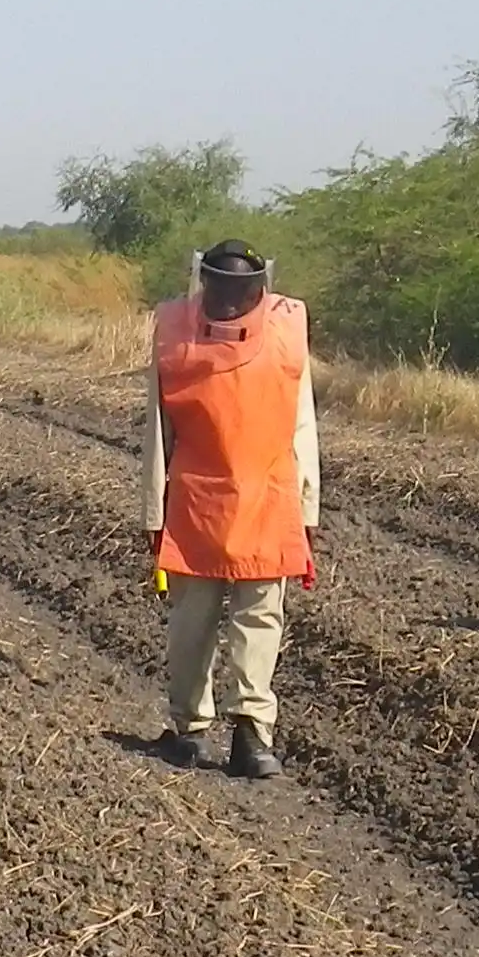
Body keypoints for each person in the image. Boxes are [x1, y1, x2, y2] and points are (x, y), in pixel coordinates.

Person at [148, 240, 318, 778]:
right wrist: (308, 510)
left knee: (195, 622)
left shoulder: (175, 327)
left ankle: (195, 731)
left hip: (206, 501)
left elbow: (157, 434)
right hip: (259, 499)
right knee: (255, 619)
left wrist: (154, 513)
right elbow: (303, 427)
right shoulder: (288, 327)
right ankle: (249, 738)